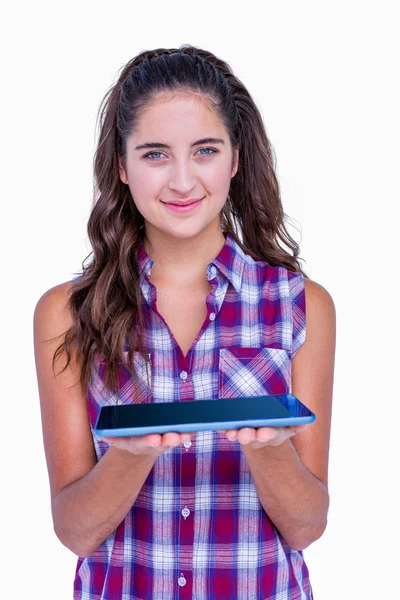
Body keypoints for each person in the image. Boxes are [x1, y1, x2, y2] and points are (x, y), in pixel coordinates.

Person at [34, 44, 335, 600]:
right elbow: (74, 531)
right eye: (154, 154)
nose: (181, 180)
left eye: (204, 150)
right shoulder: (68, 313)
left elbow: (306, 526)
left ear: (235, 158)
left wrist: (268, 449)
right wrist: (128, 456)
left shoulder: (300, 304)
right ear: (121, 166)